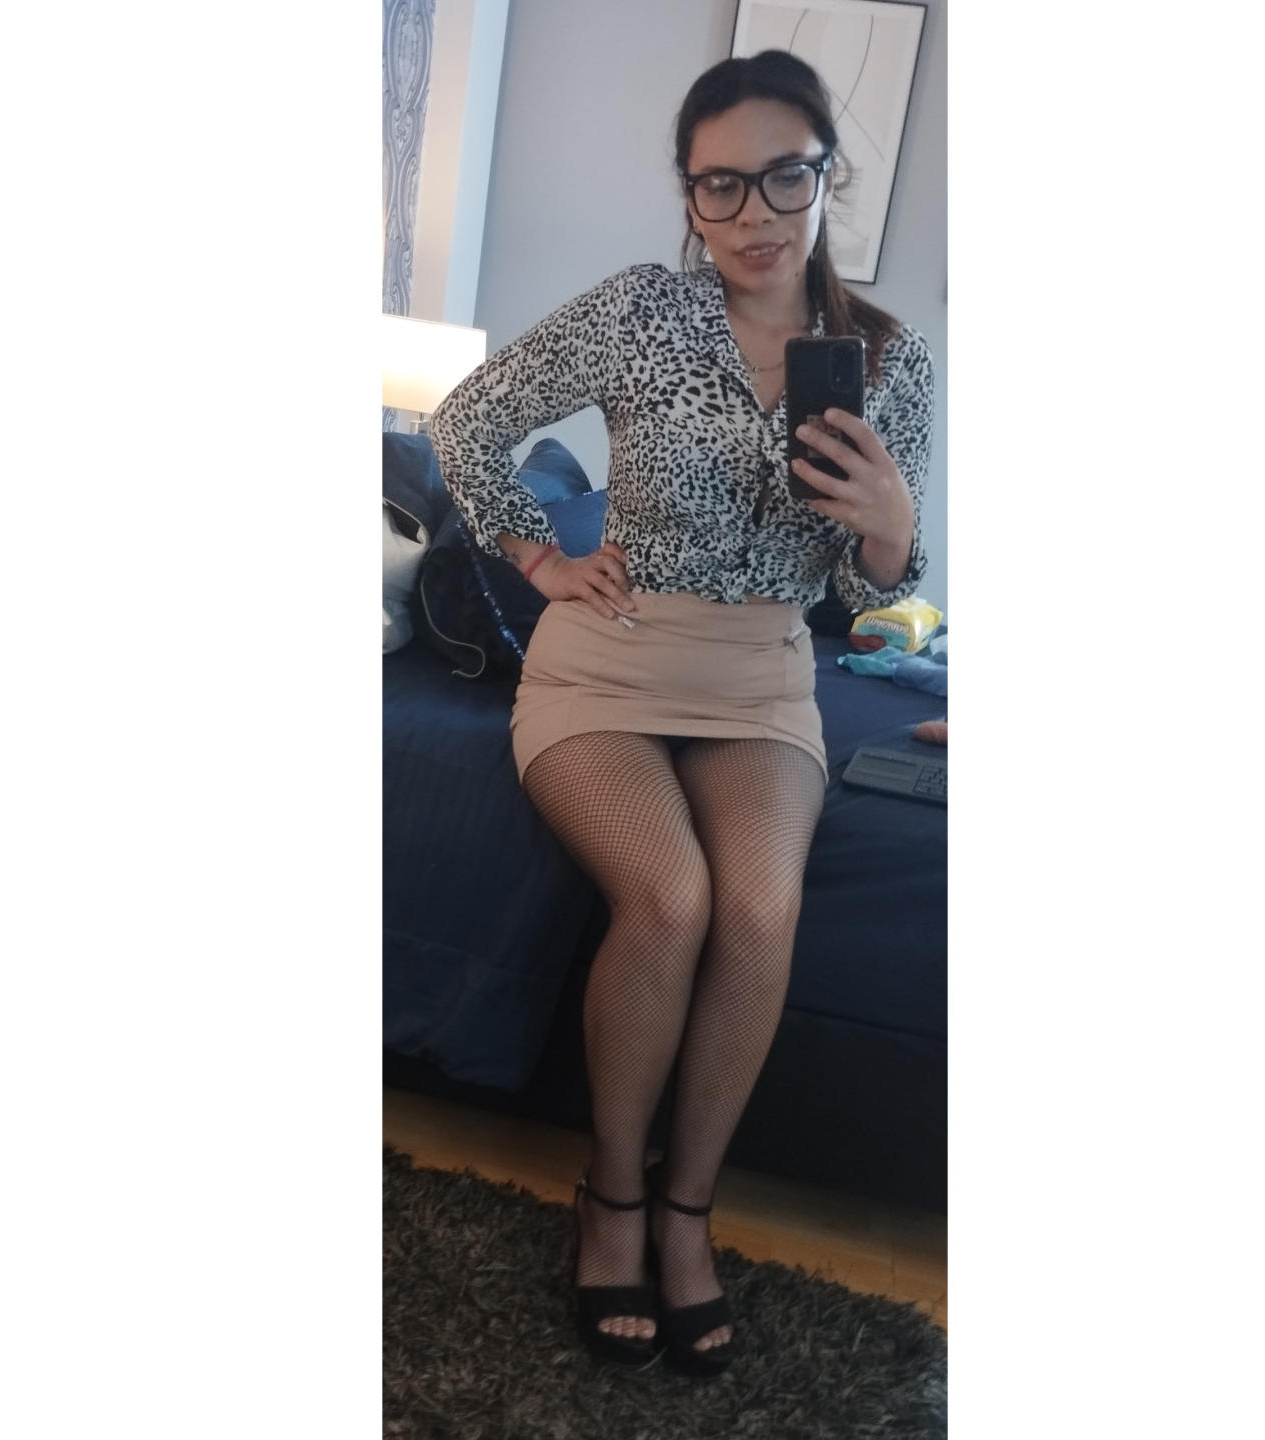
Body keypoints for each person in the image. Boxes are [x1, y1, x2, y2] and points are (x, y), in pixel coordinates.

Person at [430, 48, 933, 1377]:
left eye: (784, 176)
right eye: (721, 186)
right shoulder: (641, 309)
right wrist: (536, 554)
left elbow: (874, 592)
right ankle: (611, 1193)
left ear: (827, 175)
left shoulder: (891, 362)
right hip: (609, 654)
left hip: (764, 672)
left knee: (759, 908)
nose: (754, 212)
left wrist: (893, 532)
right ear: (690, 196)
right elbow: (470, 420)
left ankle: (687, 1209)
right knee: (670, 898)